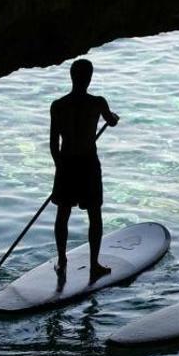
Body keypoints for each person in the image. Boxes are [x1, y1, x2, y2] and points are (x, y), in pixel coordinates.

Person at [49, 59, 119, 284]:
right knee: (94, 215)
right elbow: (112, 121)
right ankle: (95, 264)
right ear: (89, 78)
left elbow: (53, 144)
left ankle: (62, 260)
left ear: (71, 77)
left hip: (66, 162)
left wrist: (61, 166)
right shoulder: (97, 103)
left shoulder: (58, 105)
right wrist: (113, 118)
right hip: (88, 163)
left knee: (63, 214)